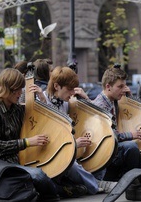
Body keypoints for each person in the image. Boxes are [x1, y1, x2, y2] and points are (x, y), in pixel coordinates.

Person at [0, 68, 59, 201]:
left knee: (54, 169)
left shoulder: (16, 108)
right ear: (8, 88)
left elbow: (41, 118)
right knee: (38, 175)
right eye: (18, 89)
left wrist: (41, 96)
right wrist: (27, 142)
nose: (20, 93)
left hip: (19, 160)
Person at [36, 66, 99, 197]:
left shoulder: (66, 102)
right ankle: (96, 185)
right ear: (57, 86)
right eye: (69, 89)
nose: (72, 93)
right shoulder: (42, 102)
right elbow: (49, 138)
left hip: (68, 150)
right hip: (49, 154)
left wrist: (85, 99)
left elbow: (93, 118)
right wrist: (74, 143)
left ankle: (90, 183)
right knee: (72, 165)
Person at [92, 64, 141, 182]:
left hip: (113, 148)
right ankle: (130, 180)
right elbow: (107, 136)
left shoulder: (113, 100)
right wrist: (130, 135)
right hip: (105, 154)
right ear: (108, 87)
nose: (124, 89)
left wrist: (129, 96)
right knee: (131, 146)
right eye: (120, 86)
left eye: (125, 85)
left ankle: (140, 177)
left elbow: (132, 113)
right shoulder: (100, 106)